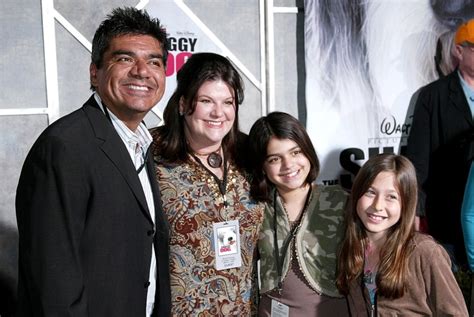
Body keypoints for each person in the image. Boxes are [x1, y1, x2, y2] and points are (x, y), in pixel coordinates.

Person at [15, 7, 170, 316]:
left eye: (154, 61)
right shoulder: (64, 146)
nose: (142, 71)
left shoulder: (141, 142)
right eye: (125, 59)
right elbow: (53, 279)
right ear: (95, 71)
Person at [151, 52, 264, 315]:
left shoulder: (250, 153)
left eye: (228, 102)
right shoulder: (151, 154)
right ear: (183, 104)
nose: (218, 112)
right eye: (206, 101)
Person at [336, 154, 468, 316]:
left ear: (406, 204)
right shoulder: (351, 248)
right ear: (357, 194)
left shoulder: (424, 252)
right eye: (370, 192)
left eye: (391, 197)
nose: (378, 205)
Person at [247, 111, 350, 316]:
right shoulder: (255, 209)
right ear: (263, 167)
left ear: (307, 151)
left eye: (295, 153)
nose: (288, 165)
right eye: (275, 159)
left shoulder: (341, 202)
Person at [405, 19, 474, 268]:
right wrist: (415, 209)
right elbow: (418, 161)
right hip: (447, 220)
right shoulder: (433, 97)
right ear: (459, 50)